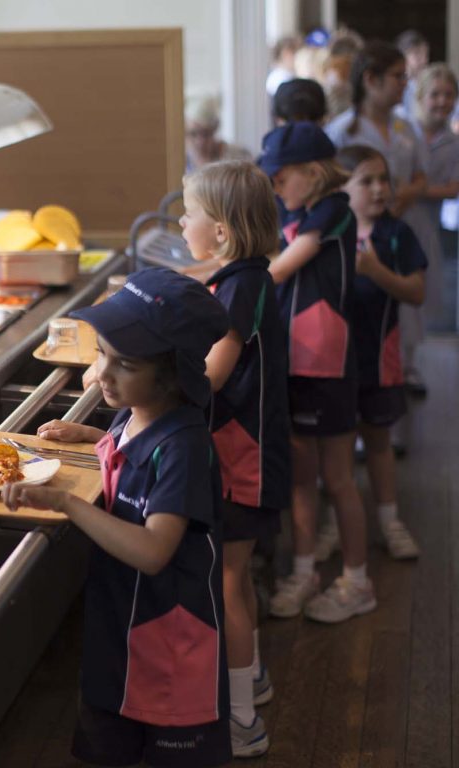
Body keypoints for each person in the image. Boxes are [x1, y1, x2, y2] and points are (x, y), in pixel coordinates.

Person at [3, 267, 233, 768]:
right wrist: (91, 438)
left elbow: (154, 551)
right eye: (103, 352)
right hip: (117, 633)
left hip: (168, 648)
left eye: (123, 362)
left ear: (171, 373)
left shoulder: (184, 448)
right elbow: (125, 451)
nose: (102, 372)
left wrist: (67, 504)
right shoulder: (133, 414)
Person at [180, 161, 290, 757]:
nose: (180, 219)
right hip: (251, 454)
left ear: (219, 231)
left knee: (226, 582)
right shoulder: (243, 277)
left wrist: (154, 377)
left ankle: (243, 719)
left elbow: (212, 377)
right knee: (236, 577)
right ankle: (254, 680)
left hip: (244, 461)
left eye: (189, 212)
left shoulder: (242, 286)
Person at [258, 122, 376, 623]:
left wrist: (202, 278)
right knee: (302, 477)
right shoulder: (298, 208)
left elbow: (278, 269)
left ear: (312, 171)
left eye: (281, 177)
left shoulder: (333, 211)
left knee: (338, 478)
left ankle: (357, 580)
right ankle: (305, 571)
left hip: (326, 362)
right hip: (295, 359)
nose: (276, 186)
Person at [325, 39, 430, 397]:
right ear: (371, 80)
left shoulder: (405, 128)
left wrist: (404, 195)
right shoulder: (343, 131)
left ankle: (405, 368)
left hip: (402, 222)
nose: (405, 83)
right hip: (361, 229)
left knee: (408, 299)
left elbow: (421, 175)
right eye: (398, 77)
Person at [336, 145, 425, 558]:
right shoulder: (333, 233)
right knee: (335, 448)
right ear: (342, 187)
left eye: (384, 179)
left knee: (378, 439)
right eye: (366, 181)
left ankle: (389, 520)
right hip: (332, 362)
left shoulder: (396, 234)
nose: (379, 189)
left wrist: (376, 271)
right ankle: (333, 525)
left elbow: (417, 291)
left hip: (379, 357)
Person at [411, 64, 459, 331]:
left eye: (449, 95)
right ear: (421, 98)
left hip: (430, 224)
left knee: (428, 289)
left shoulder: (453, 144)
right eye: (435, 94)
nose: (442, 101)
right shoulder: (404, 132)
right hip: (401, 219)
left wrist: (413, 189)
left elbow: (453, 188)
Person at [185, 94, 251, 171]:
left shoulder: (238, 158)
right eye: (193, 134)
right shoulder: (179, 161)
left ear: (214, 130)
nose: (200, 141)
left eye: (206, 134)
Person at [395, 29, 430, 120]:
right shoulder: (397, 86)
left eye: (425, 54)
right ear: (402, 57)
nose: (424, 60)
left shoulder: (432, 83)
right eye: (417, 54)